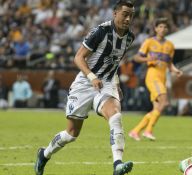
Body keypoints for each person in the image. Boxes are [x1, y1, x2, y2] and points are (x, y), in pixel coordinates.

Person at [34, 1, 135, 175]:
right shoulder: (100, 32)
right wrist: (92, 77)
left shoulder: (129, 37)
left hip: (106, 84)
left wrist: (116, 84)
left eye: (131, 16)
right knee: (71, 134)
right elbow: (78, 57)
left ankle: (117, 164)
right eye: (125, 14)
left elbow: (114, 62)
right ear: (115, 13)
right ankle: (44, 154)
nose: (128, 19)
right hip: (85, 83)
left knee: (115, 116)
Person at [129, 18, 183, 141]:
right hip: (152, 75)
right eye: (160, 27)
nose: (163, 29)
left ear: (168, 29)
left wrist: (175, 70)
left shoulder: (170, 45)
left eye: (165, 27)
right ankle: (148, 130)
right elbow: (137, 57)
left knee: (157, 108)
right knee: (164, 103)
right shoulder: (149, 42)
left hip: (162, 77)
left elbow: (169, 63)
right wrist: (148, 59)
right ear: (155, 28)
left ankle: (135, 131)